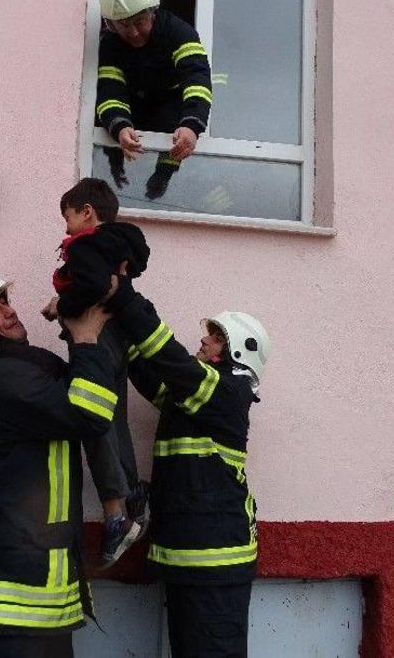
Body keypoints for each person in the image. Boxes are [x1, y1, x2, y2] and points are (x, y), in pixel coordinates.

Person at [0, 271, 121, 658]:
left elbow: (84, 384)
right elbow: (90, 412)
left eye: (4, 299)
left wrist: (74, 325)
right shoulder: (4, 378)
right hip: (12, 604)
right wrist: (86, 337)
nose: (9, 311)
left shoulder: (16, 368)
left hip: (29, 598)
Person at [106, 279, 270, 657]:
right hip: (189, 564)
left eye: (214, 337)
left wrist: (124, 295)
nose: (204, 341)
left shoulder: (227, 394)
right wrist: (109, 321)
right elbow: (148, 369)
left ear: (234, 352)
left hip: (215, 570)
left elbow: (170, 360)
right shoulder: (194, 397)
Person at [42, 177, 151, 565]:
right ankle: (134, 495)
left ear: (87, 212)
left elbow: (90, 286)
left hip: (96, 339)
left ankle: (117, 517)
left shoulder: (87, 247)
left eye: (67, 217)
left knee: (95, 422)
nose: (65, 226)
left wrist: (60, 305)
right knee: (115, 417)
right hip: (118, 337)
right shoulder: (121, 244)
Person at [96, 0, 213, 200]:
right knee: (106, 119)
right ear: (110, 24)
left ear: (153, 12)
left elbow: (197, 78)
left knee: (174, 117)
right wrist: (120, 128)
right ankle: (115, 170)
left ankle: (164, 174)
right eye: (124, 25)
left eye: (139, 22)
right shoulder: (110, 44)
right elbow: (110, 90)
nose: (134, 33)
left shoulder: (179, 32)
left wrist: (192, 126)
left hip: (171, 103)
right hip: (134, 101)